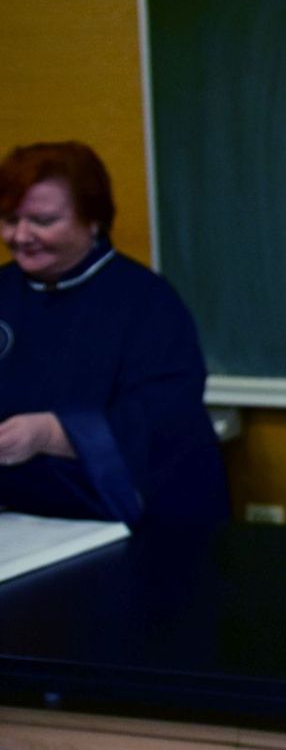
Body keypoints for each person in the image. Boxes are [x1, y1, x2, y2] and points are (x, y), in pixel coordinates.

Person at [0, 141, 227, 543]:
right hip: (19, 522)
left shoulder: (146, 300)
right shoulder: (4, 289)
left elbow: (165, 412)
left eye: (43, 221)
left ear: (93, 220)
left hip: (134, 520)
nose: (21, 236)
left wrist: (53, 432)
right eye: (9, 219)